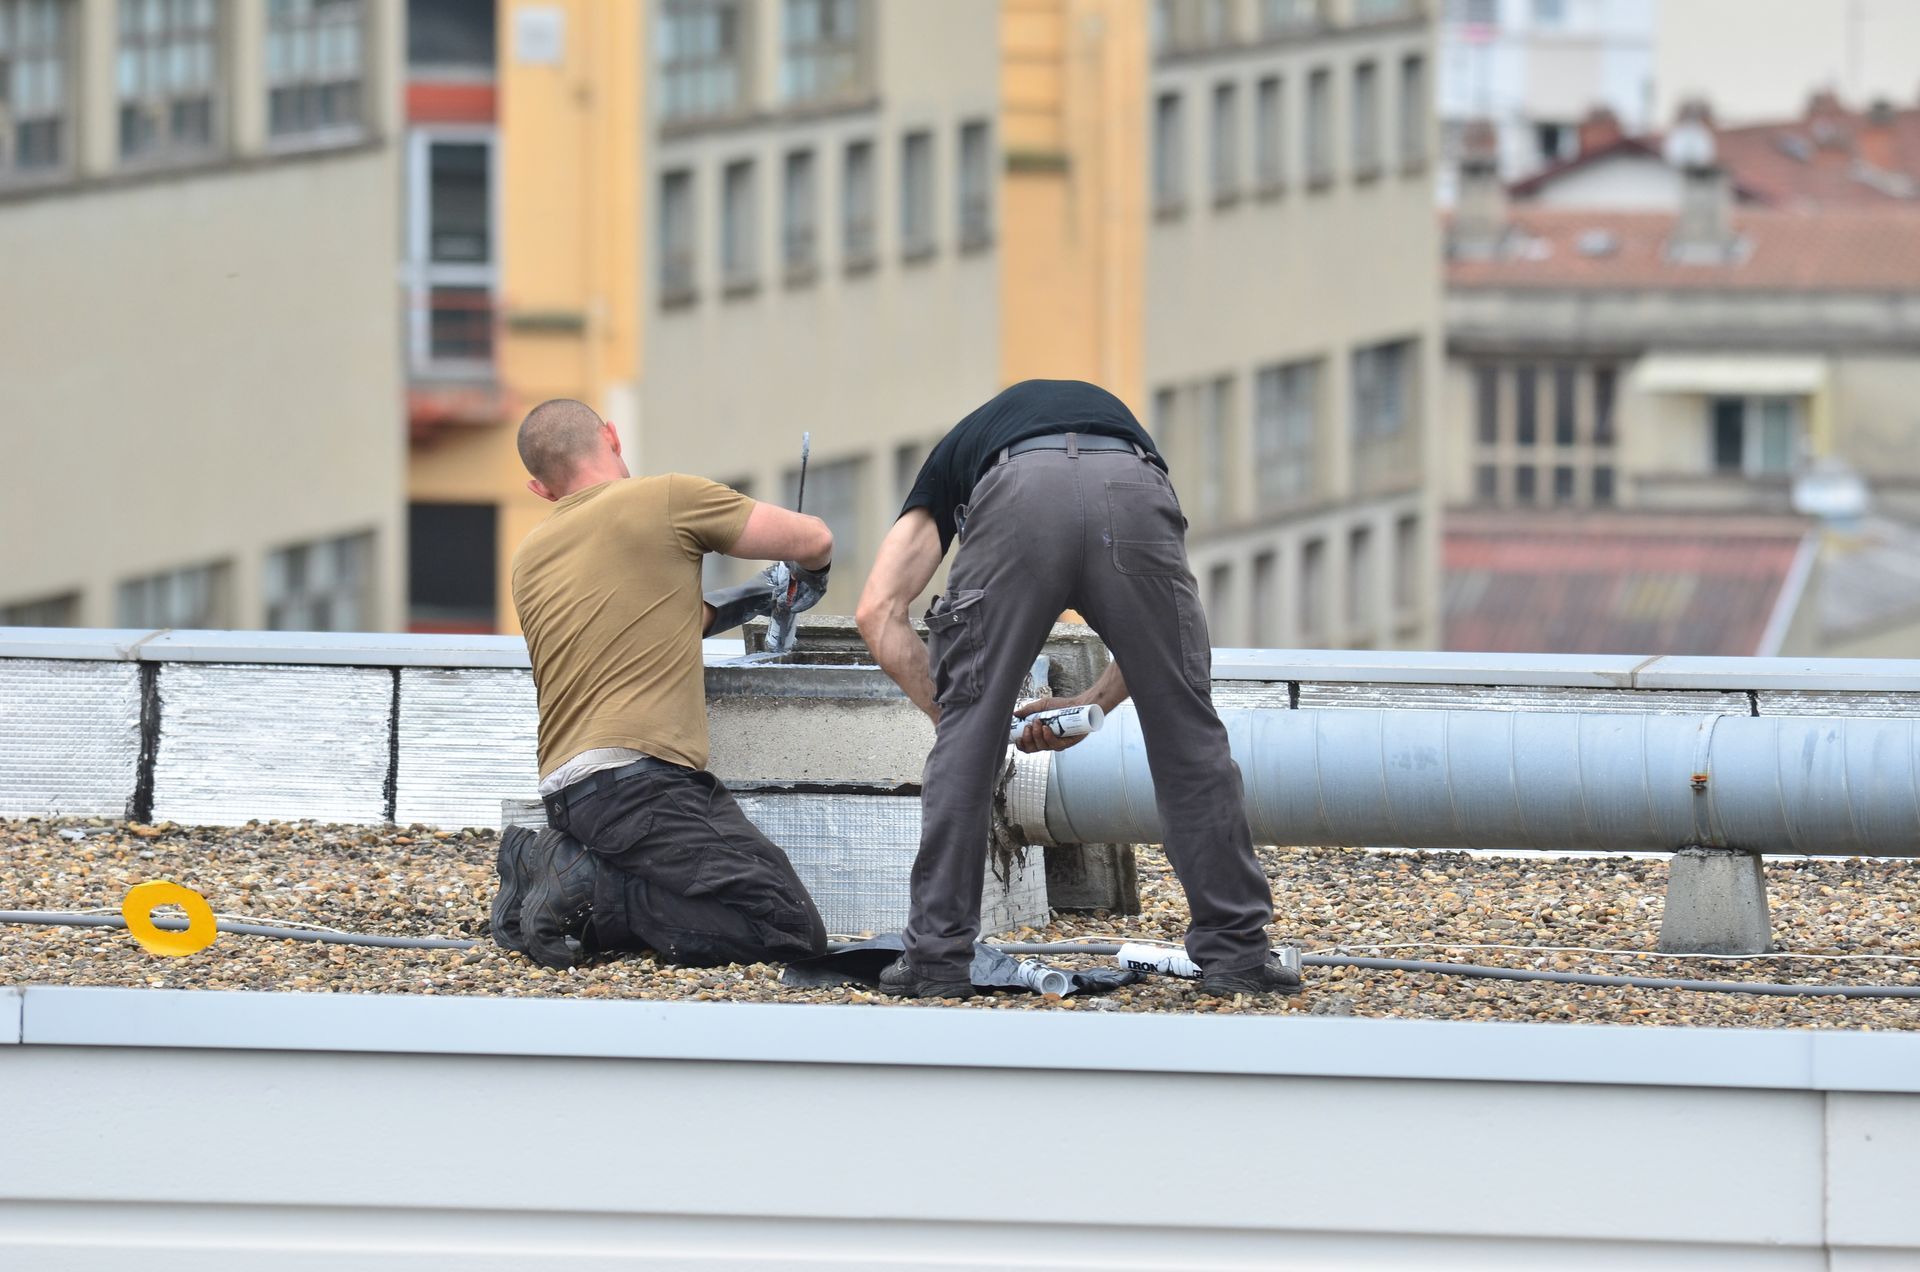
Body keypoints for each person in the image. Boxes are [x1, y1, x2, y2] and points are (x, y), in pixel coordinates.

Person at [855, 379, 1298, 999]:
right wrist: (1095, 703)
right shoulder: (1116, 437)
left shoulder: (953, 460)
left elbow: (878, 612)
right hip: (1133, 485)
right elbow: (1157, 649)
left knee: (966, 741)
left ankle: (936, 960)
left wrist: (965, 723)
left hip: (1017, 497)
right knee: (1186, 731)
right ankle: (1237, 954)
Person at [498, 398, 833, 969]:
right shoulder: (667, 498)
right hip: (641, 782)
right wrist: (808, 576)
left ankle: (555, 874)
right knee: (787, 929)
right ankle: (584, 884)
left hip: (570, 793)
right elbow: (814, 539)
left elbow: (673, 618)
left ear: (541, 490)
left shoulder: (529, 557)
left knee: (708, 901)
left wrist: (758, 594)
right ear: (612, 435)